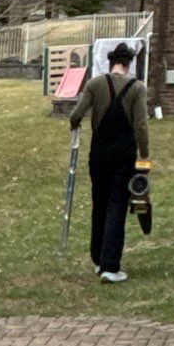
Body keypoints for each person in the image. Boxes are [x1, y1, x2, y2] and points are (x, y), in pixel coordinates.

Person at [68, 42, 151, 282]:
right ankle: (111, 266)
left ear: (111, 61)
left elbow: (77, 113)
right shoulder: (137, 88)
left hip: (99, 152)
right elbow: (140, 125)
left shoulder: (95, 84)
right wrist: (144, 153)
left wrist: (74, 125)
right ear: (129, 63)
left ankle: (98, 258)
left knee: (100, 202)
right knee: (117, 204)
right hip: (123, 154)